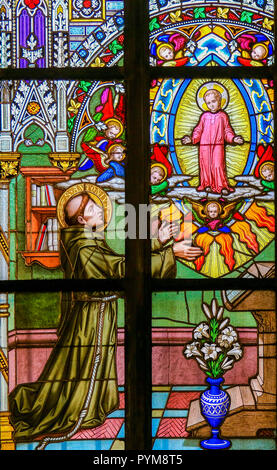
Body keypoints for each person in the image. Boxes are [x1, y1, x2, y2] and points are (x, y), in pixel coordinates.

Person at [9, 184, 202, 445]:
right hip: (90, 318)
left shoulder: (88, 240)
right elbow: (119, 270)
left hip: (99, 311)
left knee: (89, 362)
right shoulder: (83, 247)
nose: (100, 210)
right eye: (92, 209)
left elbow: (120, 263)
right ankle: (80, 409)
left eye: (99, 206)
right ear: (81, 219)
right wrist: (170, 253)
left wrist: (159, 243)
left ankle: (93, 404)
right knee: (86, 361)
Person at [181, 88, 244, 194]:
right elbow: (198, 130)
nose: (211, 105)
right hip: (204, 146)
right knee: (206, 165)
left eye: (213, 101)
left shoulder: (223, 116)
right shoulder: (204, 116)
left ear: (219, 101)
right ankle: (207, 185)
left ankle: (221, 186)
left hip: (218, 145)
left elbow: (227, 131)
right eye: (208, 103)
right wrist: (192, 139)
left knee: (218, 165)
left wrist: (233, 138)